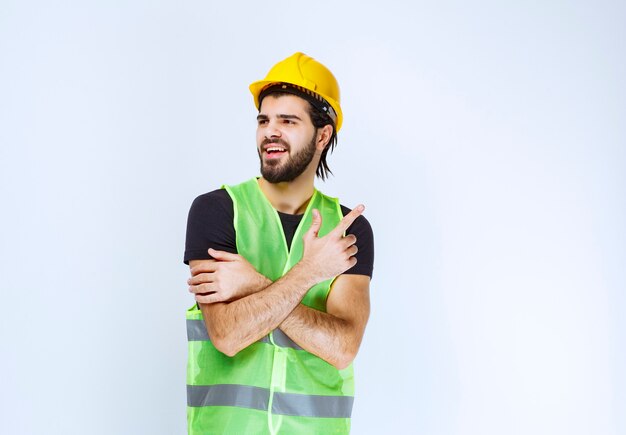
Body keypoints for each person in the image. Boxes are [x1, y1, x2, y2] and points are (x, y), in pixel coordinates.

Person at [183, 52, 374, 434]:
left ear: (322, 135)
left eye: (288, 121)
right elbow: (227, 335)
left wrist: (254, 283)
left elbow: (342, 348)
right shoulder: (217, 211)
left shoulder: (349, 229)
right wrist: (311, 273)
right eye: (264, 120)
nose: (271, 131)